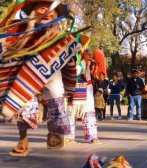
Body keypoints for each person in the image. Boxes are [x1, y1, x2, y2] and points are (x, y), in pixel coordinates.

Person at [0, 0, 82, 156]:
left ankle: (55, 132)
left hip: (50, 73)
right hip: (25, 74)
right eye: (40, 6)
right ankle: (23, 140)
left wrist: (70, 87)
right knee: (22, 103)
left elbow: (69, 63)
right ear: (33, 11)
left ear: (56, 15)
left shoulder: (62, 38)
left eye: (49, 6)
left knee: (56, 94)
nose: (45, 9)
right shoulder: (20, 29)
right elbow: (4, 44)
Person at [66, 49, 99, 143]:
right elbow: (76, 71)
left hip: (86, 88)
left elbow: (78, 71)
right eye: (88, 54)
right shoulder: (82, 63)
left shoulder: (86, 63)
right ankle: (69, 136)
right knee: (71, 112)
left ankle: (92, 136)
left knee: (88, 111)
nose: (90, 56)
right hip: (75, 87)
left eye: (90, 55)